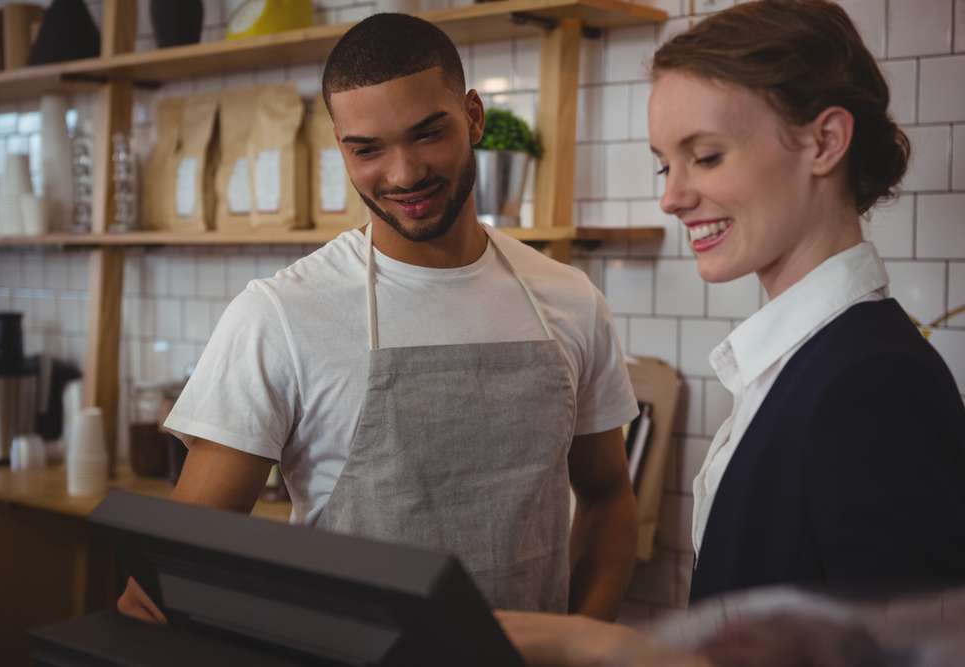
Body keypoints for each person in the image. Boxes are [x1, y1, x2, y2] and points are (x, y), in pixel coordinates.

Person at [118, 13, 639, 623]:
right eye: (367, 150)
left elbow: (608, 498)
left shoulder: (570, 299)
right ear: (340, 146)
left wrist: (582, 643)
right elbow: (166, 579)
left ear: (474, 117)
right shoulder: (280, 315)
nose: (403, 174)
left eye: (427, 135)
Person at [499, 0, 965, 662]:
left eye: (707, 156)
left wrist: (585, 640)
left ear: (826, 142)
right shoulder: (801, 363)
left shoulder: (872, 384)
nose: (672, 195)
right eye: (667, 163)